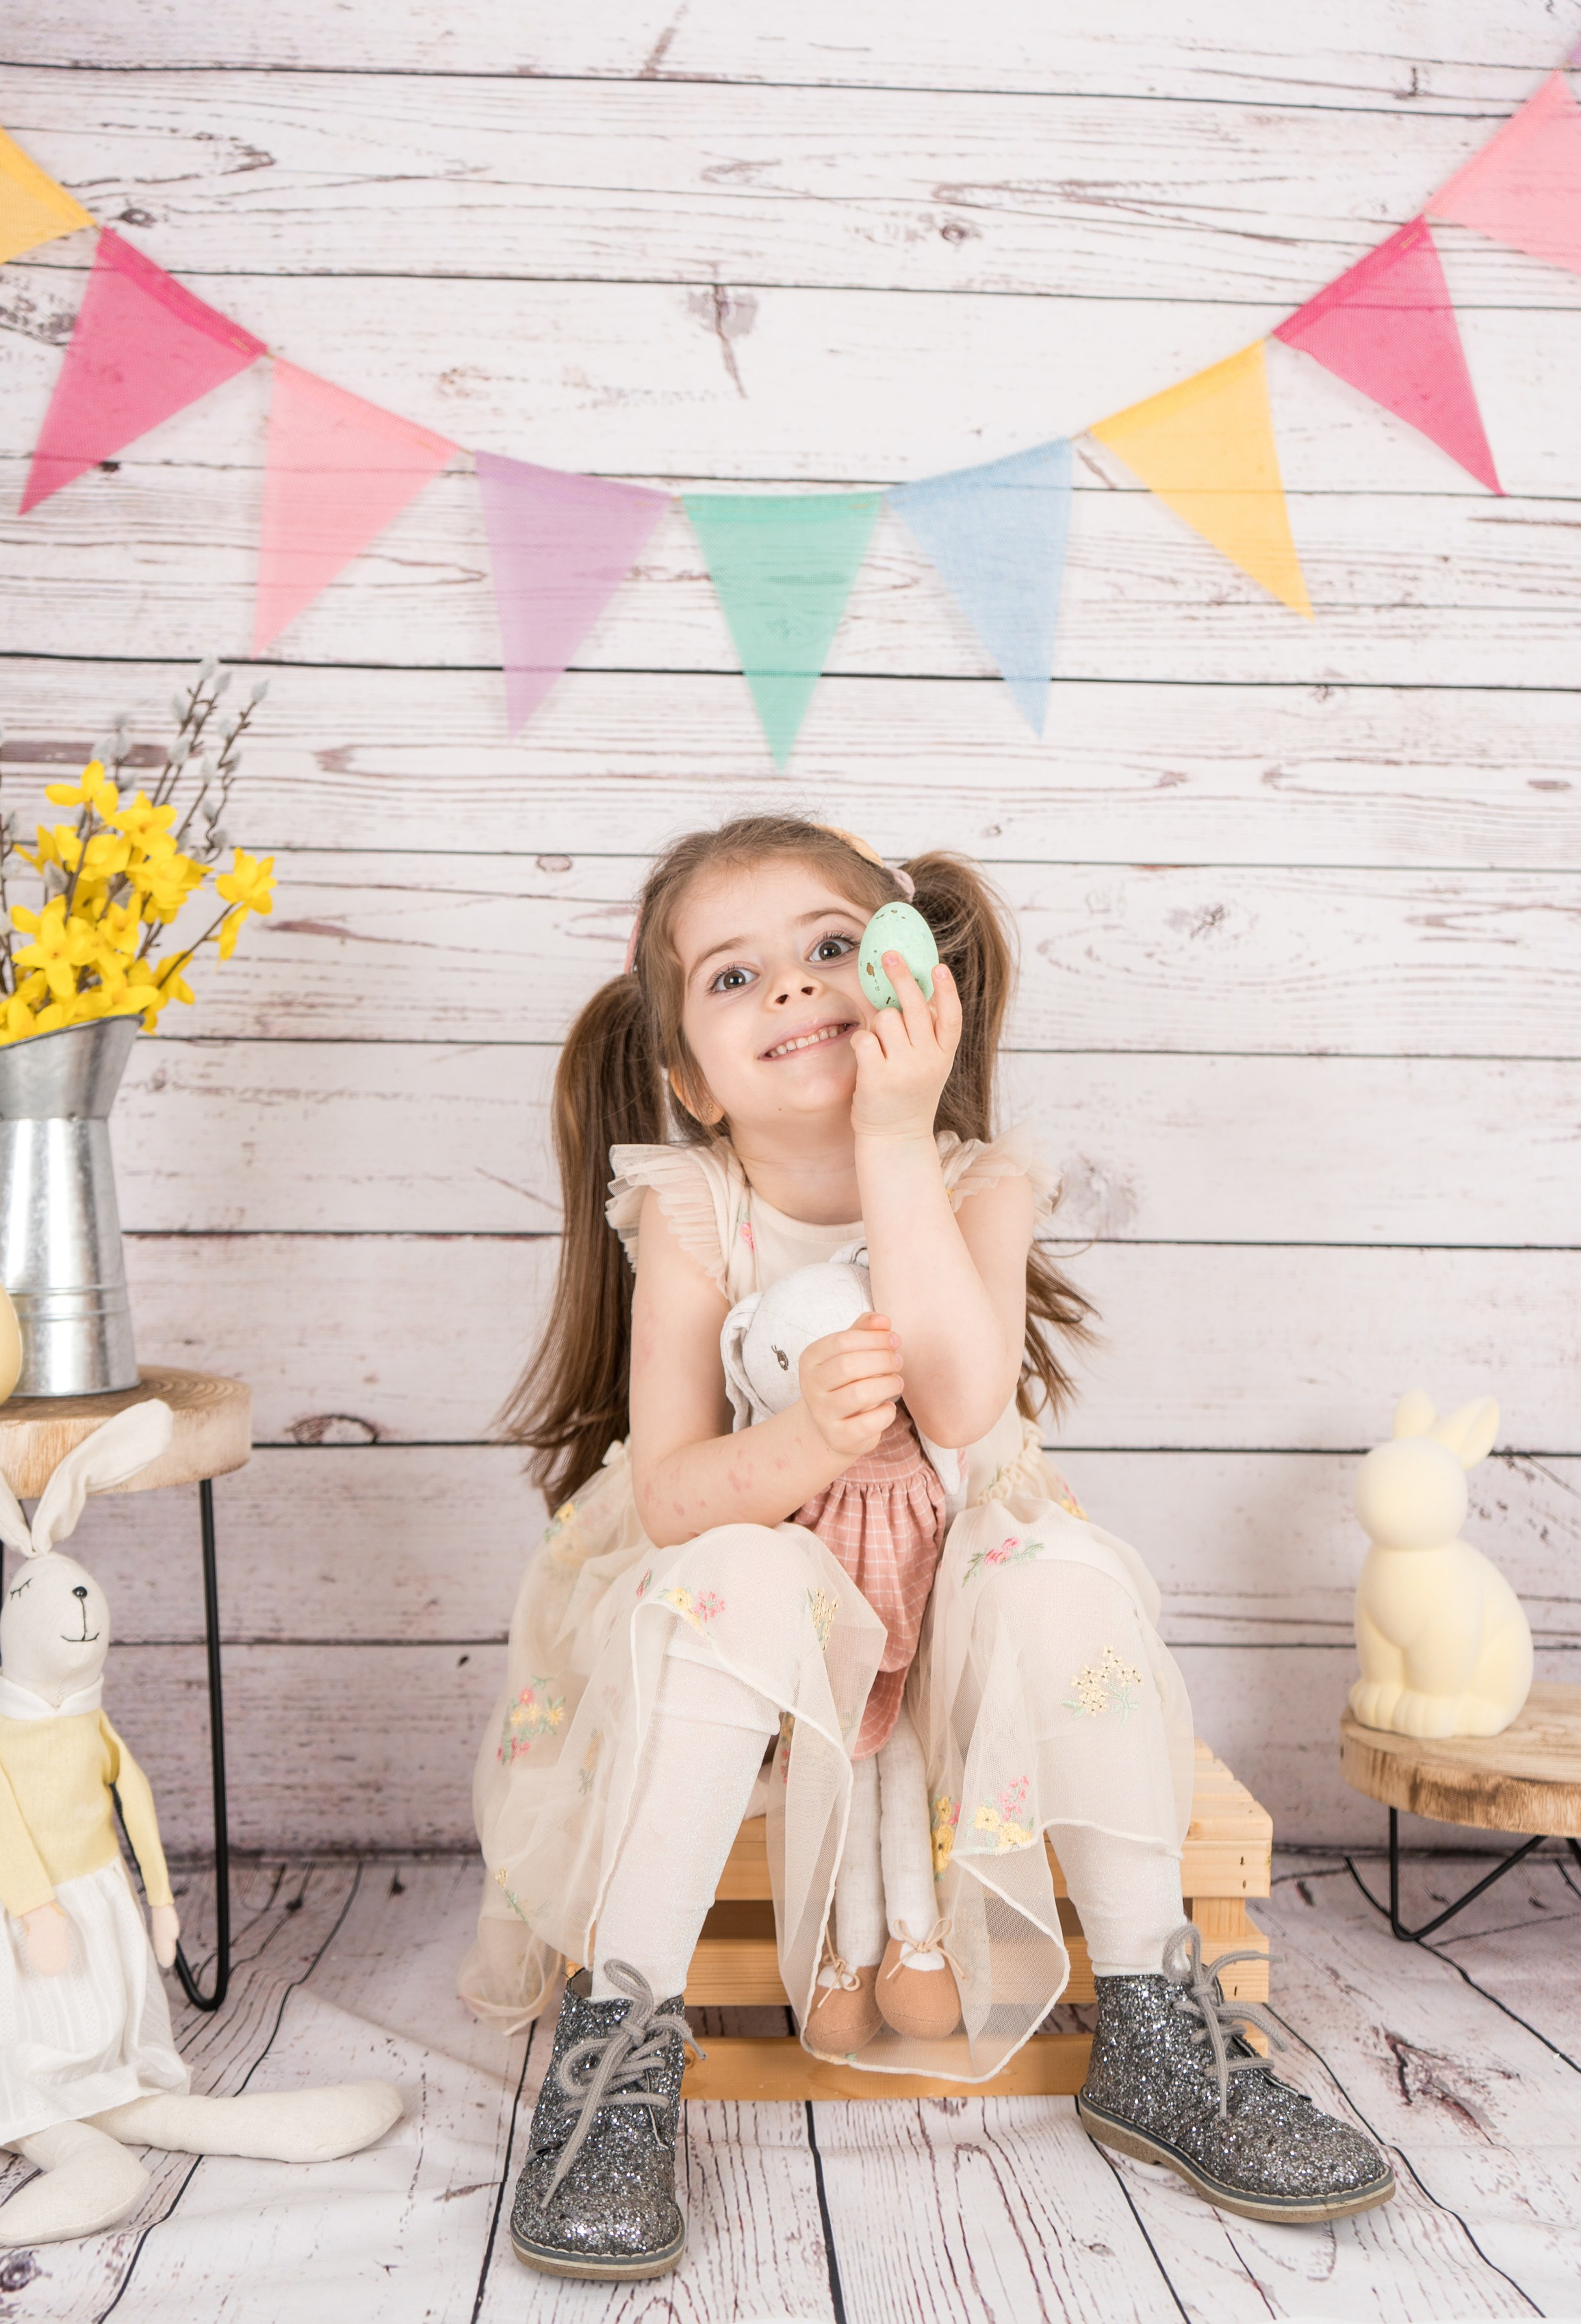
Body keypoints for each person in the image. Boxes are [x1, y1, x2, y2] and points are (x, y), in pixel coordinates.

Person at [460, 816, 1393, 2280]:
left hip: (955, 1607)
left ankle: (1153, 2022)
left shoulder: (974, 1181)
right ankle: (618, 2041)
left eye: (832, 947)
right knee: (739, 1573)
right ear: (691, 1085)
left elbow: (962, 1411)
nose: (793, 986)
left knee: (1065, 1577)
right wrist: (803, 1453)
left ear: (912, 991)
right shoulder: (692, 1209)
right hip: (750, 1635)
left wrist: (894, 1136)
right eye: (733, 976)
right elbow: (669, 1495)